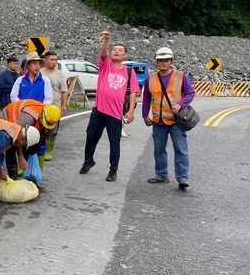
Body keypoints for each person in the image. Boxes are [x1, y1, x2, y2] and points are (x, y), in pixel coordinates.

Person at [80, 30, 139, 182]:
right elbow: (103, 53)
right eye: (114, 49)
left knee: (114, 143)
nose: (116, 52)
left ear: (124, 55)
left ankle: (113, 170)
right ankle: (88, 161)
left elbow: (133, 93)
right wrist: (106, 40)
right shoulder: (105, 65)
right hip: (99, 110)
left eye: (120, 50)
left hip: (115, 114)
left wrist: (131, 111)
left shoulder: (129, 72)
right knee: (91, 137)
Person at [142, 47, 195, 189]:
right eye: (160, 60)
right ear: (156, 62)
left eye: (166, 60)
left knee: (181, 149)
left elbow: (190, 93)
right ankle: (161, 175)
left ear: (171, 61)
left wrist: (180, 104)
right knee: (159, 149)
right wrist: (144, 115)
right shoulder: (150, 78)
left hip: (176, 121)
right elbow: (146, 98)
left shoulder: (181, 76)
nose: (163, 63)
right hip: (158, 121)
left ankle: (183, 177)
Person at [0, 100, 60, 178]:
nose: (48, 126)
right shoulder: (29, 118)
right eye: (46, 123)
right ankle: (13, 177)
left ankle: (30, 172)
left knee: (35, 142)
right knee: (11, 144)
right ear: (42, 115)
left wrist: (34, 151)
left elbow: (46, 136)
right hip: (9, 118)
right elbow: (16, 136)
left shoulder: (53, 118)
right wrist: (21, 156)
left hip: (24, 125)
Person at [0, 119, 40, 184]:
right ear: (21, 139)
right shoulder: (6, 136)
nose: (21, 147)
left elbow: (0, 151)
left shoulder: (16, 132)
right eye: (24, 145)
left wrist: (1, 167)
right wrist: (0, 170)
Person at [40, 51, 68, 161]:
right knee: (41, 128)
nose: (54, 62)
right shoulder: (40, 73)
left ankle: (49, 150)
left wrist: (64, 104)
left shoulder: (60, 74)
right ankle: (40, 148)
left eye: (56, 60)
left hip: (55, 106)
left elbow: (64, 91)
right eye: (52, 59)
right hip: (41, 106)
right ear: (46, 60)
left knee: (53, 130)